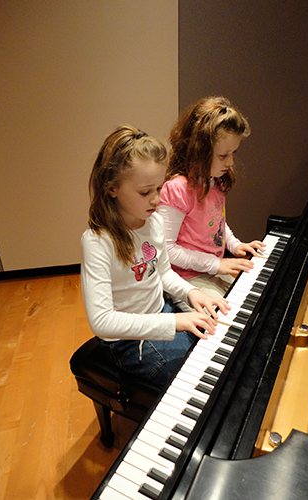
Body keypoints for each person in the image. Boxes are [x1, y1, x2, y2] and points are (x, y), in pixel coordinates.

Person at [81, 125, 230, 388]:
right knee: (197, 378)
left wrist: (191, 292)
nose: (156, 200)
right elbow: (102, 322)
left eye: (159, 189)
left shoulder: (154, 223)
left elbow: (162, 273)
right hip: (127, 342)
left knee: (216, 347)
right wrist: (172, 322)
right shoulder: (98, 243)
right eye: (145, 192)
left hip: (160, 312)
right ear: (112, 188)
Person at [157, 96, 266, 300]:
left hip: (210, 270)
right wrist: (216, 264)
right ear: (200, 151)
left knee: (250, 299)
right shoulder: (178, 189)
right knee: (222, 317)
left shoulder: (215, 180)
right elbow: (166, 249)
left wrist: (234, 245)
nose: (231, 161)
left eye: (233, 153)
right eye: (223, 156)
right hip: (185, 278)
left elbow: (217, 223)